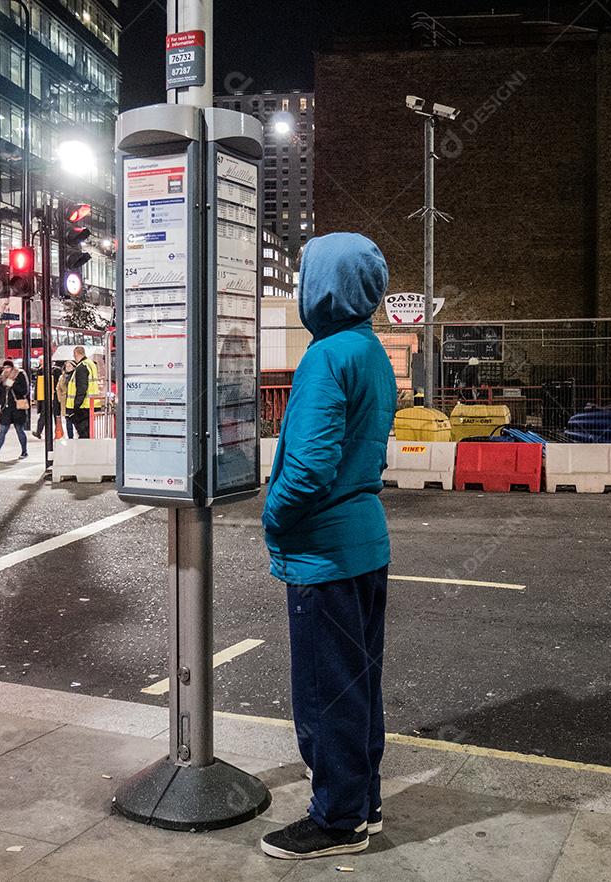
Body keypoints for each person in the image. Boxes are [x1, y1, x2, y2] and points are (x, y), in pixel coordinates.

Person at [260, 233, 397, 861]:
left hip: (325, 553)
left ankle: (337, 820)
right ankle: (362, 801)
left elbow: (310, 468)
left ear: (324, 286)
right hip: (366, 543)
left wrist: (274, 516)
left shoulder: (325, 357)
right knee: (358, 687)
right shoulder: (370, 350)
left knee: (325, 692)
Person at [0, 360, 29, 460]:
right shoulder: (3, 378)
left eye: (8, 367)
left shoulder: (20, 375)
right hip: (6, 409)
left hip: (18, 408)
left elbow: (24, 391)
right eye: (4, 368)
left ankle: (24, 451)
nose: (6, 370)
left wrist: (11, 383)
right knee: (2, 431)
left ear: (12, 368)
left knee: (20, 430)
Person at [66, 346, 99, 439]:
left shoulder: (82, 367)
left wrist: (75, 406)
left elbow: (81, 388)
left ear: (76, 354)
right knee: (88, 433)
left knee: (83, 434)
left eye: (74, 355)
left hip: (83, 407)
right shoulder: (91, 364)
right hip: (91, 405)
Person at [33, 362, 63, 440]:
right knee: (44, 414)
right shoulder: (41, 371)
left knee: (56, 414)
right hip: (45, 396)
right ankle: (38, 432)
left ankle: (58, 432)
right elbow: (38, 385)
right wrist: (36, 397)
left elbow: (60, 383)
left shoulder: (56, 370)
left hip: (54, 395)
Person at [57, 360, 76, 439]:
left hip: (74, 401)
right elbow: (58, 388)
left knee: (76, 420)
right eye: (66, 366)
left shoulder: (76, 376)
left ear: (73, 367)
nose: (68, 368)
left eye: (69, 366)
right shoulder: (62, 377)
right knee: (68, 420)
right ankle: (70, 437)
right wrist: (60, 398)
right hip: (65, 401)